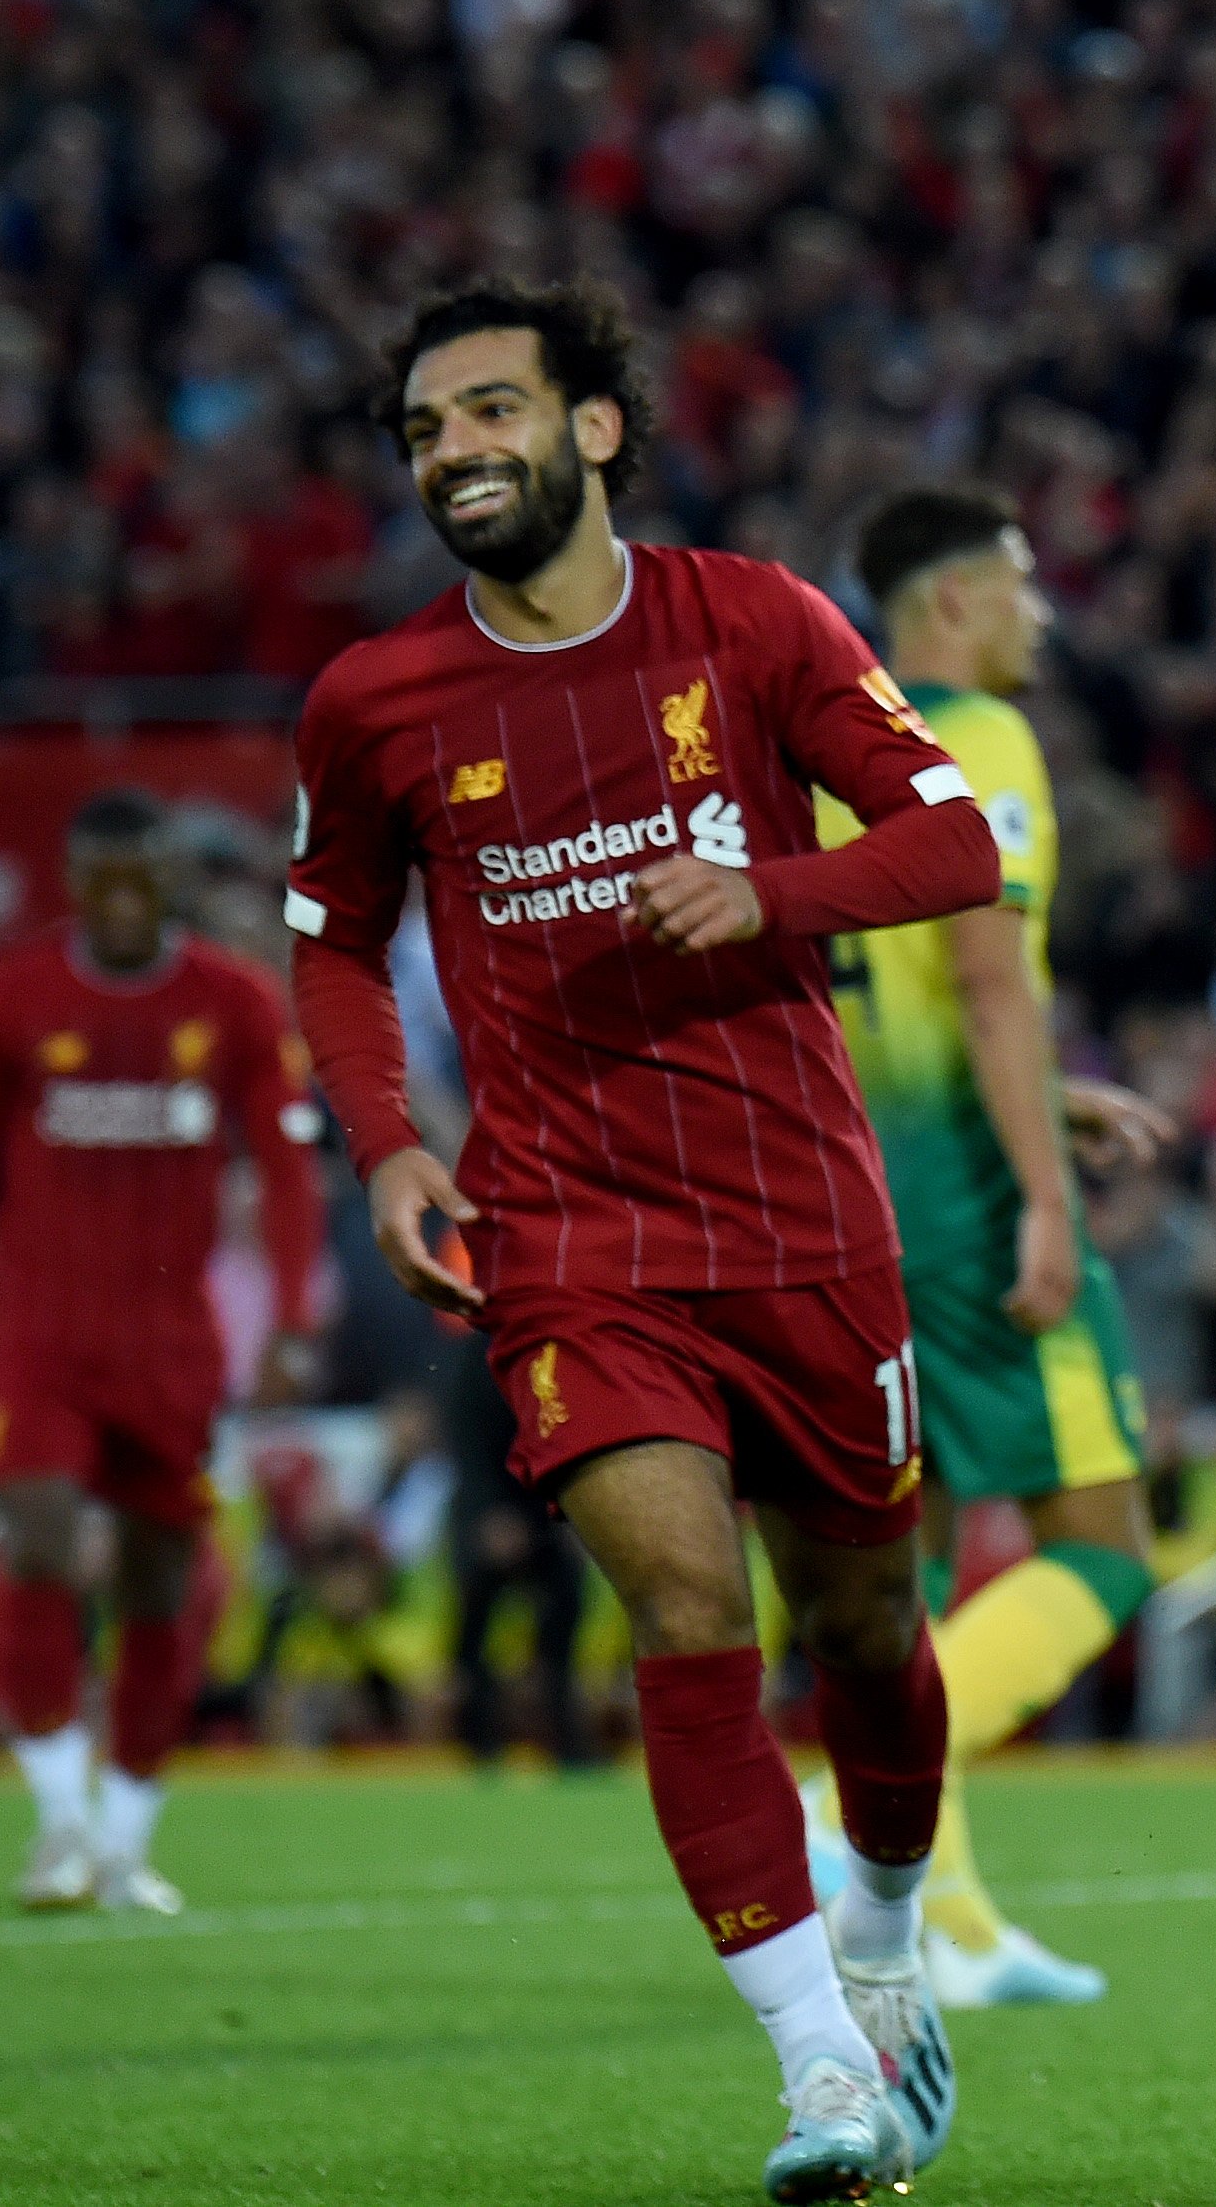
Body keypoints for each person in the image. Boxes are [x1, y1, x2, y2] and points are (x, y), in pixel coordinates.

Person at [285, 277, 1000, 2202]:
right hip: (569, 1238)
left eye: (491, 411)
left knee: (865, 1629)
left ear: (594, 427)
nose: (455, 453)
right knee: (688, 1610)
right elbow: (333, 944)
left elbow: (954, 845)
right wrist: (386, 1148)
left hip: (800, 1221)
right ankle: (819, 2069)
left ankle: (882, 1938)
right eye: (424, 431)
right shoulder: (374, 702)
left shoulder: (753, 621)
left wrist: (769, 894)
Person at [812, 482, 1174, 2010]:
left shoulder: (814, 747)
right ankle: (849, 1808)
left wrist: (1049, 1091)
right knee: (1100, 1543)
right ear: (952, 598)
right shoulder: (980, 734)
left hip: (843, 1195)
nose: (1041, 612)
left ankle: (938, 1915)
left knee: (906, 1563)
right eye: (1020, 584)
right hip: (963, 1196)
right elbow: (980, 975)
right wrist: (1039, 1187)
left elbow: (870, 980)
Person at [0, 786, 324, 1914]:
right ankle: (59, 1826)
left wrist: (292, 1317)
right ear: (74, 883)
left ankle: (127, 1837)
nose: (126, 901)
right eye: (105, 881)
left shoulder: (233, 1000)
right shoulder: (11, 999)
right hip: (38, 1336)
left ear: (172, 880)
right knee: (38, 1541)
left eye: (145, 879)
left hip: (171, 1346)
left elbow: (287, 1169)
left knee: (159, 1580)